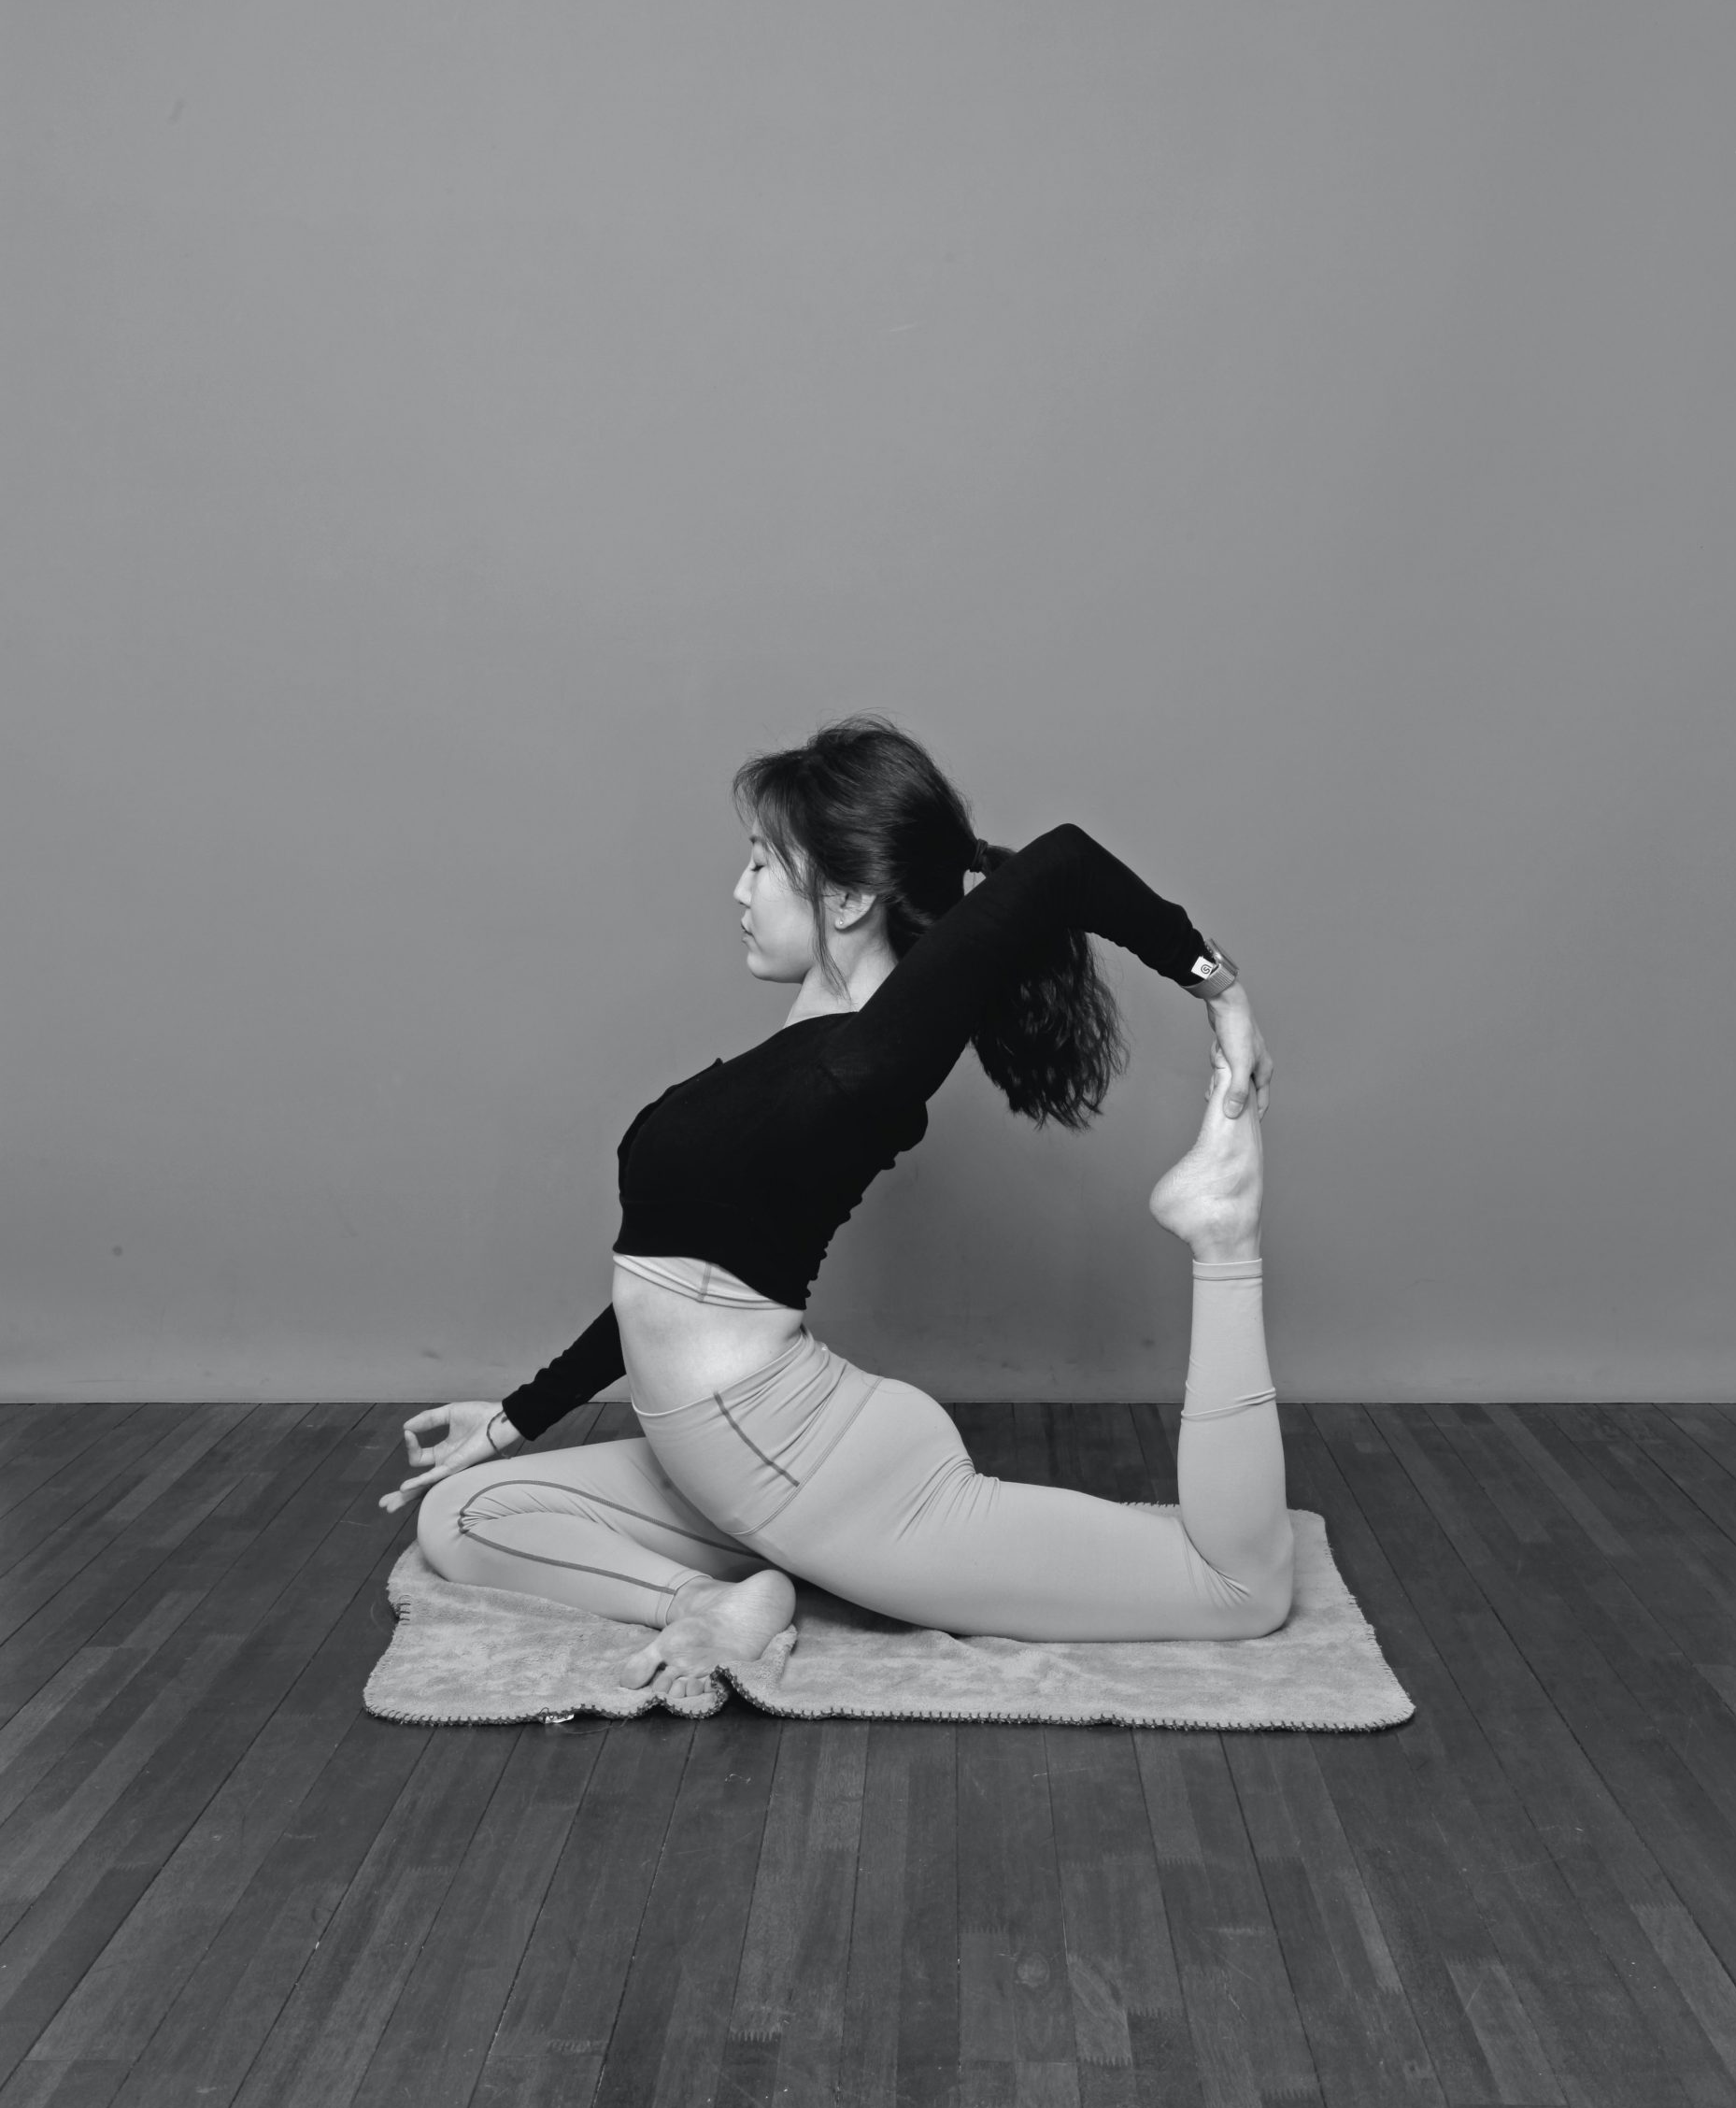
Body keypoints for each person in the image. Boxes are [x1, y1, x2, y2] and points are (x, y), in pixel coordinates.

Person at [380, 717, 1288, 1701]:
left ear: (849, 897)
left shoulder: (870, 1057)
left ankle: (1222, 1225)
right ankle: (713, 1598)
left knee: (1237, 1590)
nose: (739, 890)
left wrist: (1223, 992)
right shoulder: (804, 1044)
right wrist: (513, 1419)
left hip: (825, 1480)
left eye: (762, 865)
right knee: (460, 1516)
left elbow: (1064, 862)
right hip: (733, 1464)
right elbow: (666, 1287)